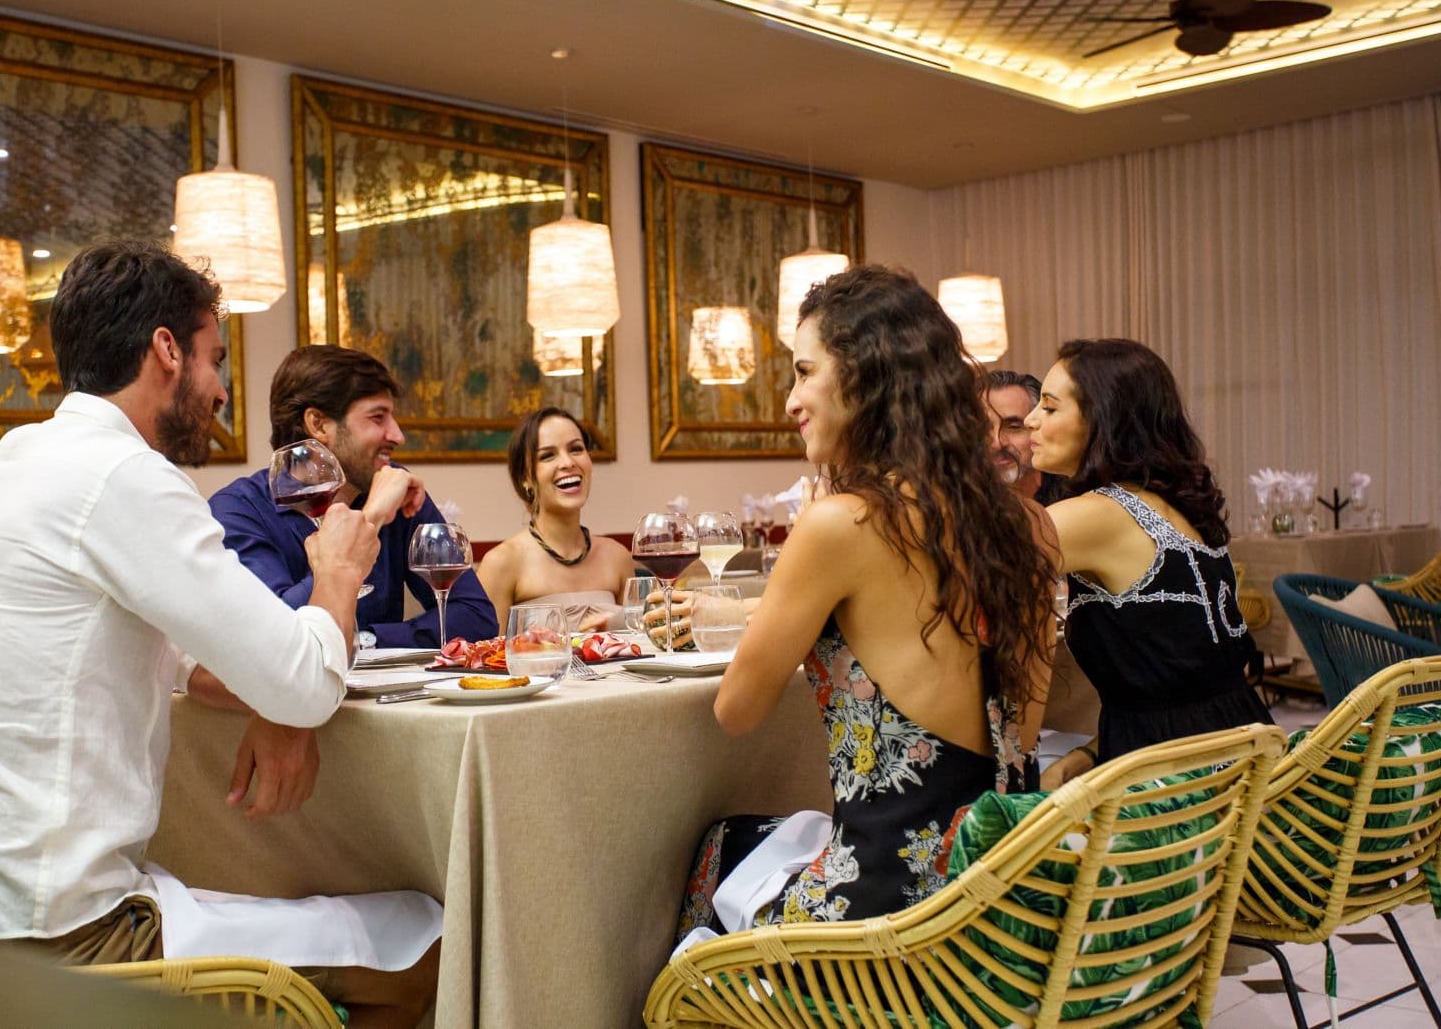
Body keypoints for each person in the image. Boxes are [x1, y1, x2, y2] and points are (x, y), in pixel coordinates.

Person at [0, 241, 440, 1028]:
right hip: (64, 938)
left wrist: (277, 698)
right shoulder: (127, 476)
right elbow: (302, 677)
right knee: (423, 937)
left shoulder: (19, 457)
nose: (222, 391)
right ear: (165, 350)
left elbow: (204, 656)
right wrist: (338, 573)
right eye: (214, 359)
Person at [674, 267, 1057, 946]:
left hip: (894, 915)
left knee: (717, 848)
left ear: (864, 375)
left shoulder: (842, 523)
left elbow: (735, 711)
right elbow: (1020, 737)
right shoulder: (1028, 526)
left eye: (803, 371)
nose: (791, 400)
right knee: (763, 839)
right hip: (1008, 891)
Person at [1025, 337, 1270, 792]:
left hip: (1174, 788)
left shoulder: (1099, 514)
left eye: (1050, 407)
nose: (1030, 420)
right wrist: (1093, 751)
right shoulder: (1174, 506)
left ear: (1102, 419)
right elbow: (1187, 683)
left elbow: (968, 564)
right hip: (1241, 753)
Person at [210, 345, 496, 646]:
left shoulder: (391, 486)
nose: (398, 435)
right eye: (377, 418)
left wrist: (366, 641)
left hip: (384, 694)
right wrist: (371, 518)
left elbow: (476, 616)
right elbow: (274, 638)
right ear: (319, 424)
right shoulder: (238, 512)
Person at [474, 406, 635, 632]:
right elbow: (486, 660)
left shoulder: (618, 557)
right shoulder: (501, 563)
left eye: (576, 449)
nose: (568, 463)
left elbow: (639, 650)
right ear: (525, 478)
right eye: (548, 455)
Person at [985, 369, 1044, 499]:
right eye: (983, 429)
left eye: (1013, 427)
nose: (997, 443)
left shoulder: (1072, 500)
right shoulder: (954, 507)